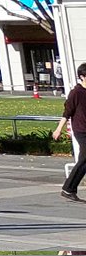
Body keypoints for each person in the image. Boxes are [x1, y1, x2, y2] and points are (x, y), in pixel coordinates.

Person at [56, 61, 86, 202]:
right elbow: (67, 112)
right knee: (85, 157)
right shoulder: (76, 93)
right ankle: (68, 188)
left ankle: (69, 189)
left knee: (84, 160)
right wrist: (59, 129)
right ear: (82, 77)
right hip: (81, 130)